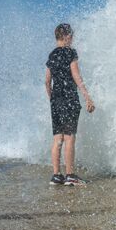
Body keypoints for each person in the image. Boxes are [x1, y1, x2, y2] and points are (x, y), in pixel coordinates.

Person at [45, 23, 95, 186]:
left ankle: (56, 175)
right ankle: (70, 175)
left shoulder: (52, 55)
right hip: (69, 99)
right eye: (71, 35)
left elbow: (47, 81)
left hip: (56, 100)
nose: (72, 38)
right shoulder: (70, 52)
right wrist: (87, 97)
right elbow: (76, 76)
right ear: (66, 36)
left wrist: (53, 99)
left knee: (57, 138)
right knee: (69, 137)